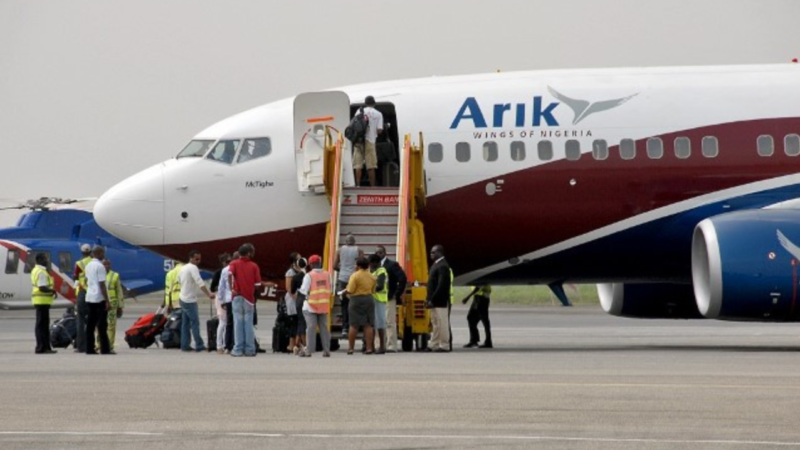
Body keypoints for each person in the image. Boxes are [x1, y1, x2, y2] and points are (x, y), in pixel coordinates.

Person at [228, 243, 262, 357]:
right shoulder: (254, 266)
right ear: (248, 253)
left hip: (237, 296)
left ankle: (238, 349)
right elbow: (258, 284)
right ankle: (250, 349)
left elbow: (229, 274)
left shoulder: (234, 263)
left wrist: (231, 288)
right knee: (248, 324)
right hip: (249, 299)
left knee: (238, 323)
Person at [178, 250, 215, 352]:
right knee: (195, 323)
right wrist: (209, 294)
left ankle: (184, 345)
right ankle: (199, 344)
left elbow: (179, 280)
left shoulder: (183, 268)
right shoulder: (193, 268)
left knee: (185, 323)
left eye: (199, 259)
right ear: (191, 258)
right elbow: (200, 282)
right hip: (189, 300)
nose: (198, 261)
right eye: (196, 259)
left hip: (182, 298)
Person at [297, 255, 332, 357]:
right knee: (324, 329)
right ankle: (326, 350)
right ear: (320, 262)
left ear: (311, 264)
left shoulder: (309, 275)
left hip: (310, 306)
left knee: (311, 328)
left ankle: (309, 350)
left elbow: (303, 290)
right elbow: (330, 287)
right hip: (323, 305)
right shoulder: (327, 274)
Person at [376, 245, 407, 352]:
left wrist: (397, 293)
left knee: (390, 322)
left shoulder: (392, 265)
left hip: (389, 298)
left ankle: (391, 345)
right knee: (378, 322)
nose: (378, 255)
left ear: (385, 253)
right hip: (377, 298)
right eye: (377, 253)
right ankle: (379, 344)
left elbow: (402, 278)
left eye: (380, 252)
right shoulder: (375, 266)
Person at [344, 256, 376, 355]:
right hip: (368, 299)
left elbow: (350, 289)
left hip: (356, 300)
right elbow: (373, 290)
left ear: (358, 266)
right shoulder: (372, 276)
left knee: (353, 325)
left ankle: (350, 348)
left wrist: (345, 292)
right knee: (368, 324)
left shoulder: (355, 276)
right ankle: (369, 348)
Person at [84, 246, 112, 355]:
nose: (104, 255)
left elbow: (87, 281)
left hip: (89, 297)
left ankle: (89, 348)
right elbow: (102, 284)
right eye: (103, 253)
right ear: (99, 253)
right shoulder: (100, 266)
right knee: (102, 325)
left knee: (90, 325)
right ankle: (105, 349)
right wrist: (107, 301)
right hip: (99, 298)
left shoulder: (88, 265)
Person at [352, 95, 384, 187]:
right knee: (371, 166)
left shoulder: (359, 111)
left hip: (358, 141)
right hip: (370, 140)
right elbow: (379, 130)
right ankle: (372, 186)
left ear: (365, 103)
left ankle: (357, 185)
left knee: (358, 165)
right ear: (374, 103)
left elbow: (354, 125)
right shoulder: (378, 114)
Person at [426, 245, 452, 353]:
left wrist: (433, 299)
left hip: (440, 301)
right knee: (435, 323)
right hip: (433, 300)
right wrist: (428, 299)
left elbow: (441, 285)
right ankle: (434, 344)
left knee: (442, 323)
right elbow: (431, 284)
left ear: (440, 253)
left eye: (433, 252)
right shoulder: (436, 265)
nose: (431, 254)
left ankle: (444, 345)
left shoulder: (443, 266)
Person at [333, 234, 361, 337]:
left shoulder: (339, 251)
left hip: (343, 279)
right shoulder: (359, 250)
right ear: (354, 241)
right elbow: (361, 265)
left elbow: (334, 266)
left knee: (344, 304)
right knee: (355, 304)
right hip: (354, 279)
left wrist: (342, 271)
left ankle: (345, 328)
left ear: (345, 241)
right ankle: (354, 327)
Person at [31, 252, 57, 354]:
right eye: (45, 259)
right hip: (42, 301)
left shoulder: (36, 270)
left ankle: (44, 347)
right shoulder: (41, 272)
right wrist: (52, 291)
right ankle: (42, 347)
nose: (47, 261)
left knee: (41, 325)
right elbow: (42, 287)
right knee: (42, 326)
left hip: (40, 301)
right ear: (40, 260)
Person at [72, 243, 92, 353]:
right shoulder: (94, 262)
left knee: (80, 320)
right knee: (92, 320)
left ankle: (80, 346)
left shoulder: (79, 263)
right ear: (91, 252)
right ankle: (91, 343)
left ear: (82, 252)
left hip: (82, 292)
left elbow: (75, 276)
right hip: (93, 293)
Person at [101, 259, 124, 353]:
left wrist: (120, 306)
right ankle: (99, 345)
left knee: (111, 325)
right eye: (104, 264)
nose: (106, 266)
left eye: (108, 264)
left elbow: (119, 291)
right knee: (101, 325)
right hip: (101, 303)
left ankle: (110, 346)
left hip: (113, 303)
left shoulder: (115, 275)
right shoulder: (98, 275)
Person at [368, 254, 389, 354]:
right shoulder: (370, 271)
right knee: (371, 324)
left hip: (380, 299)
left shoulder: (381, 271)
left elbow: (380, 286)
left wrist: (368, 289)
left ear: (375, 263)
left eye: (370, 263)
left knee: (380, 324)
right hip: (371, 299)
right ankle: (370, 346)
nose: (369, 265)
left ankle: (382, 346)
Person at [215, 254, 233, 354]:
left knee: (227, 323)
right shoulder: (219, 272)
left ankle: (226, 344)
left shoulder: (228, 270)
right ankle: (219, 345)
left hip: (226, 298)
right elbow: (215, 287)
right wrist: (221, 300)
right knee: (223, 322)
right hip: (223, 298)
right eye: (227, 261)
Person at [284, 252, 301, 353]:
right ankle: (291, 344)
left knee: (298, 322)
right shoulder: (290, 272)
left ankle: (296, 344)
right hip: (293, 298)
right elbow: (288, 287)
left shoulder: (300, 271)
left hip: (298, 297)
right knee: (294, 322)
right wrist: (295, 297)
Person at [290, 258, 308, 354]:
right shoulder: (309, 276)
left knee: (300, 321)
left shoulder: (296, 277)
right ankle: (303, 344)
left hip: (299, 300)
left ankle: (297, 345)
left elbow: (292, 291)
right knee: (304, 322)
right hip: (308, 299)